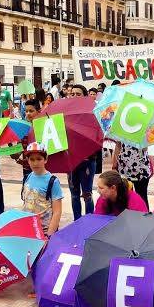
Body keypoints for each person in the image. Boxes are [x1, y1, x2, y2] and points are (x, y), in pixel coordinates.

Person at [21, 142, 63, 236]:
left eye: (39, 159)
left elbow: (57, 212)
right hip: (28, 228)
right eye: (32, 159)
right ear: (27, 160)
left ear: (45, 159)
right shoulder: (27, 177)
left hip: (44, 231)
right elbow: (26, 203)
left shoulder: (52, 181)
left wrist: (49, 235)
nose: (35, 163)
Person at [67, 85, 96, 219]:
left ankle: (89, 221)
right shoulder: (64, 113)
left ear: (85, 96)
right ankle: (77, 222)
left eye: (78, 94)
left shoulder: (92, 113)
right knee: (74, 194)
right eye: (72, 94)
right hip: (71, 161)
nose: (74, 96)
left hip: (87, 160)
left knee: (87, 194)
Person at [113, 142, 152, 211]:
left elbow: (145, 149)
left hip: (141, 170)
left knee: (142, 196)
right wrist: (114, 165)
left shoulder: (143, 131)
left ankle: (144, 218)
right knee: (125, 196)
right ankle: (127, 218)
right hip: (124, 170)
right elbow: (118, 146)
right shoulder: (122, 131)